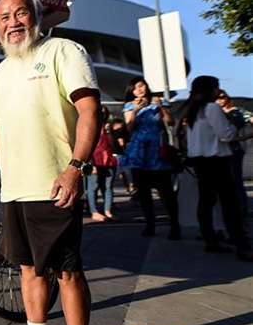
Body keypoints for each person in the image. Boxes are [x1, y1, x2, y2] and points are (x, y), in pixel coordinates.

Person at [0, 0, 101, 325]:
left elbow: (88, 111)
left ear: (36, 16)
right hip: (15, 189)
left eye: (19, 13)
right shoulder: (0, 72)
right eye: (4, 18)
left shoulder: (64, 52)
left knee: (67, 271)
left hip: (54, 184)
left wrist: (75, 168)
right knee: (28, 269)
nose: (13, 22)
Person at [182, 77, 253, 262]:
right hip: (216, 161)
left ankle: (210, 239)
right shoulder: (212, 108)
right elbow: (226, 134)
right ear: (211, 90)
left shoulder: (192, 110)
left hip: (200, 161)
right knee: (231, 204)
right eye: (216, 88)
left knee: (206, 202)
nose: (218, 92)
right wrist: (244, 133)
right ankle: (241, 244)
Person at [120, 77, 181, 240]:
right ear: (131, 91)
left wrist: (161, 107)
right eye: (136, 88)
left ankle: (175, 225)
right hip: (140, 151)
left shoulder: (158, 102)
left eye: (142, 86)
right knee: (144, 192)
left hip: (158, 150)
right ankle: (150, 224)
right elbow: (129, 126)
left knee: (166, 192)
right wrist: (134, 111)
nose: (140, 89)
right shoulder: (129, 105)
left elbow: (170, 122)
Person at [216, 89, 252, 221]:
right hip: (219, 149)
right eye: (217, 98)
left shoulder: (237, 111)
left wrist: (243, 138)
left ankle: (242, 209)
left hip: (234, 148)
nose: (219, 100)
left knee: (235, 179)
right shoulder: (214, 112)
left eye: (222, 97)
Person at [86, 107, 117, 221]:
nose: (102, 115)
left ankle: (107, 210)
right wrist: (91, 163)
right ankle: (93, 211)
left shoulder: (108, 128)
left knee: (108, 187)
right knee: (93, 186)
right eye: (101, 112)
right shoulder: (90, 126)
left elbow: (113, 145)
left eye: (105, 113)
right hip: (94, 160)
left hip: (108, 160)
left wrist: (109, 132)